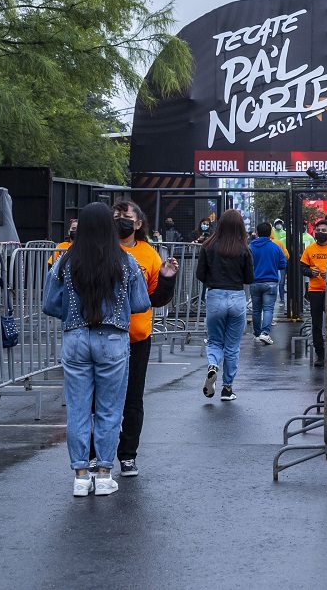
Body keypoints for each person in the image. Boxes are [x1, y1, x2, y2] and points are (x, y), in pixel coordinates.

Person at [42, 202, 150, 497]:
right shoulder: (126, 261)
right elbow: (141, 303)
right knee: (109, 409)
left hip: (76, 338)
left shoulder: (65, 262)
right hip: (113, 341)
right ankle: (104, 474)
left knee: (78, 410)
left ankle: (80, 476)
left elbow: (49, 304)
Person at [111, 200, 178, 478]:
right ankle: (94, 457)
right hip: (104, 335)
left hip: (137, 338)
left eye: (126, 216)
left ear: (138, 224)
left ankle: (127, 456)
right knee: (98, 400)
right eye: (116, 214)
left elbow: (156, 299)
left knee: (132, 400)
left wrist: (167, 278)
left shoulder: (149, 255)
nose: (120, 219)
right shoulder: (100, 249)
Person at [197, 209, 255, 401]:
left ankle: (213, 365)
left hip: (214, 295)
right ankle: (227, 388)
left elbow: (200, 275)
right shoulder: (244, 249)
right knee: (232, 346)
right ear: (240, 226)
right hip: (237, 297)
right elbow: (249, 278)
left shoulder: (207, 246)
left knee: (214, 341)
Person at [300, 220, 327, 367]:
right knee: (316, 324)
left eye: (323, 230)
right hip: (315, 291)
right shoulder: (309, 249)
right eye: (318, 230)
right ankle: (320, 353)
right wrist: (310, 272)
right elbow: (302, 268)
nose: (320, 232)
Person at [249, 221, 288, 345]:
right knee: (268, 309)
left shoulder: (250, 247)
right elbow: (283, 264)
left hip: (254, 282)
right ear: (271, 232)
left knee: (256, 310)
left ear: (258, 232)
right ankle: (265, 333)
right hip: (271, 282)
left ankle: (256, 334)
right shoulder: (275, 247)